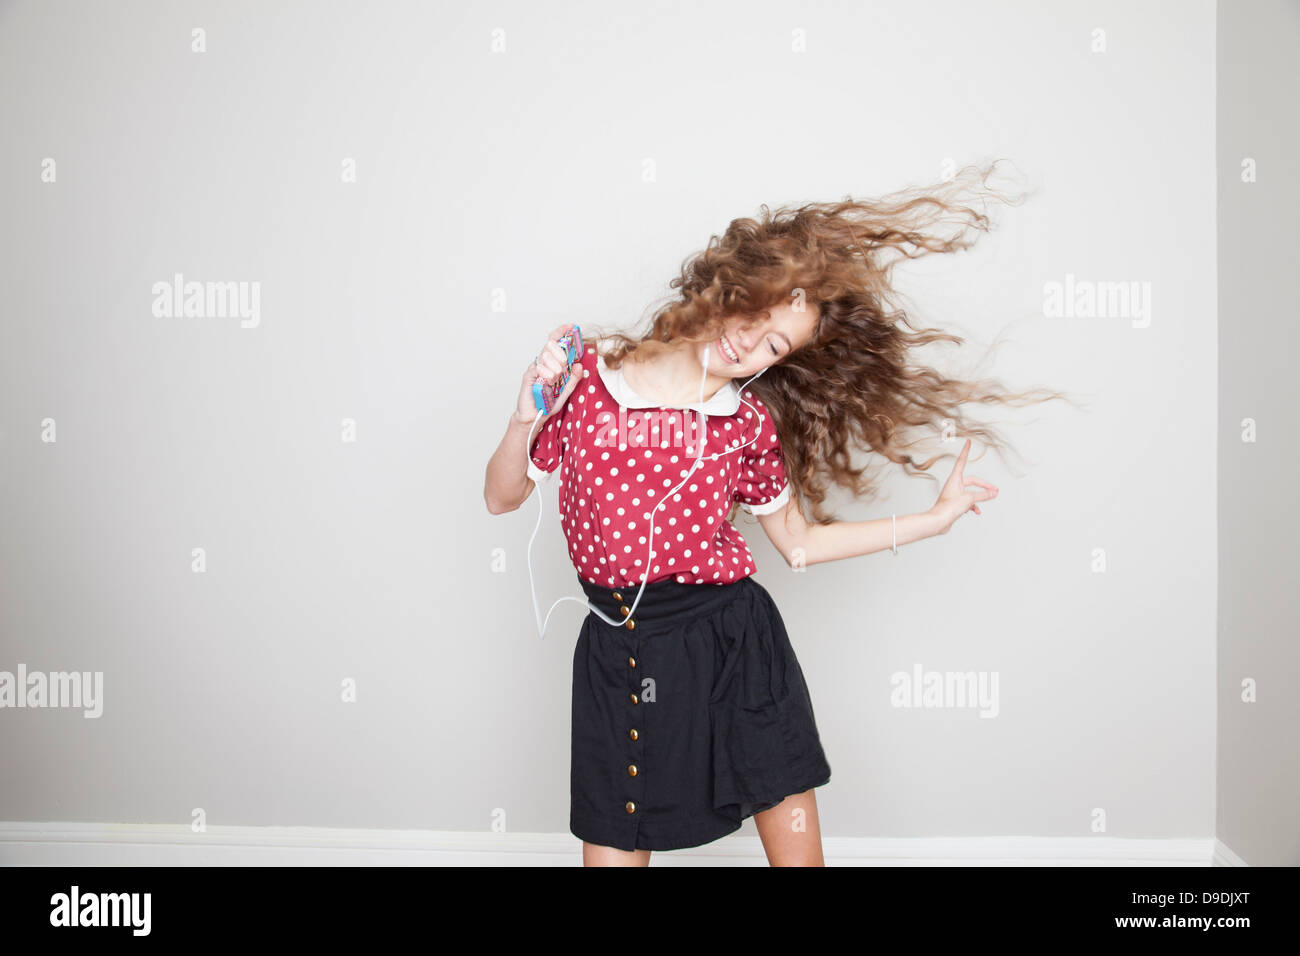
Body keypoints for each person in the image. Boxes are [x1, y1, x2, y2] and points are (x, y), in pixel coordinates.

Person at [483, 160, 1065, 866]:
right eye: (757, 314)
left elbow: (798, 544)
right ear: (736, 282)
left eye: (774, 345)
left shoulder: (745, 425)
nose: (749, 343)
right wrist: (521, 421)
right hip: (619, 654)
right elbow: (502, 497)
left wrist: (931, 521)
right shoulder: (591, 381)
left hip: (735, 647)